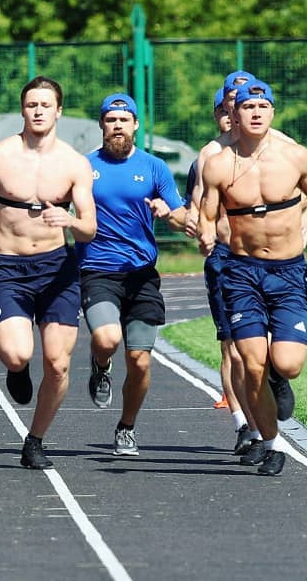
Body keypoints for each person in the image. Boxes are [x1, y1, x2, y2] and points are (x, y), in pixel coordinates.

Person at [0, 77, 96, 469]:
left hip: (57, 268)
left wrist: (69, 219)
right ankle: (17, 370)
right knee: (16, 352)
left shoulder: (73, 163)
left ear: (58, 111)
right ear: (23, 109)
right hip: (10, 268)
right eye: (31, 104)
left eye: (45, 105)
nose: (37, 111)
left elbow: (90, 226)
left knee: (59, 363)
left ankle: (35, 440)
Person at [199, 79, 307, 476]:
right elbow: (209, 211)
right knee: (251, 364)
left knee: (287, 364)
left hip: (288, 272)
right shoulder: (219, 163)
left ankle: (280, 377)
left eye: (263, 107)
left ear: (272, 112)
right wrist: (207, 231)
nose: (256, 113)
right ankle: (273, 443)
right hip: (241, 272)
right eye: (247, 107)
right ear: (234, 115)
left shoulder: (294, 156)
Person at [79, 93, 187, 457]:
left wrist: (167, 211)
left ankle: (126, 426)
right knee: (107, 339)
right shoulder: (84, 166)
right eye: (111, 120)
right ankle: (101, 365)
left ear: (136, 125)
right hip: (98, 271)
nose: (118, 126)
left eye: (124, 120)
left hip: (142, 275)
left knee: (140, 361)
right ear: (102, 126)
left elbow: (183, 216)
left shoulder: (155, 167)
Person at [183, 82, 259, 455]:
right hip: (226, 258)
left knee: (266, 349)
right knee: (233, 346)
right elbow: (197, 208)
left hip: (267, 257)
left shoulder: (272, 148)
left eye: (243, 103)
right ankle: (243, 424)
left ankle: (262, 411)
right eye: (228, 104)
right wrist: (197, 225)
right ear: (220, 113)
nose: (235, 111)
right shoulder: (210, 155)